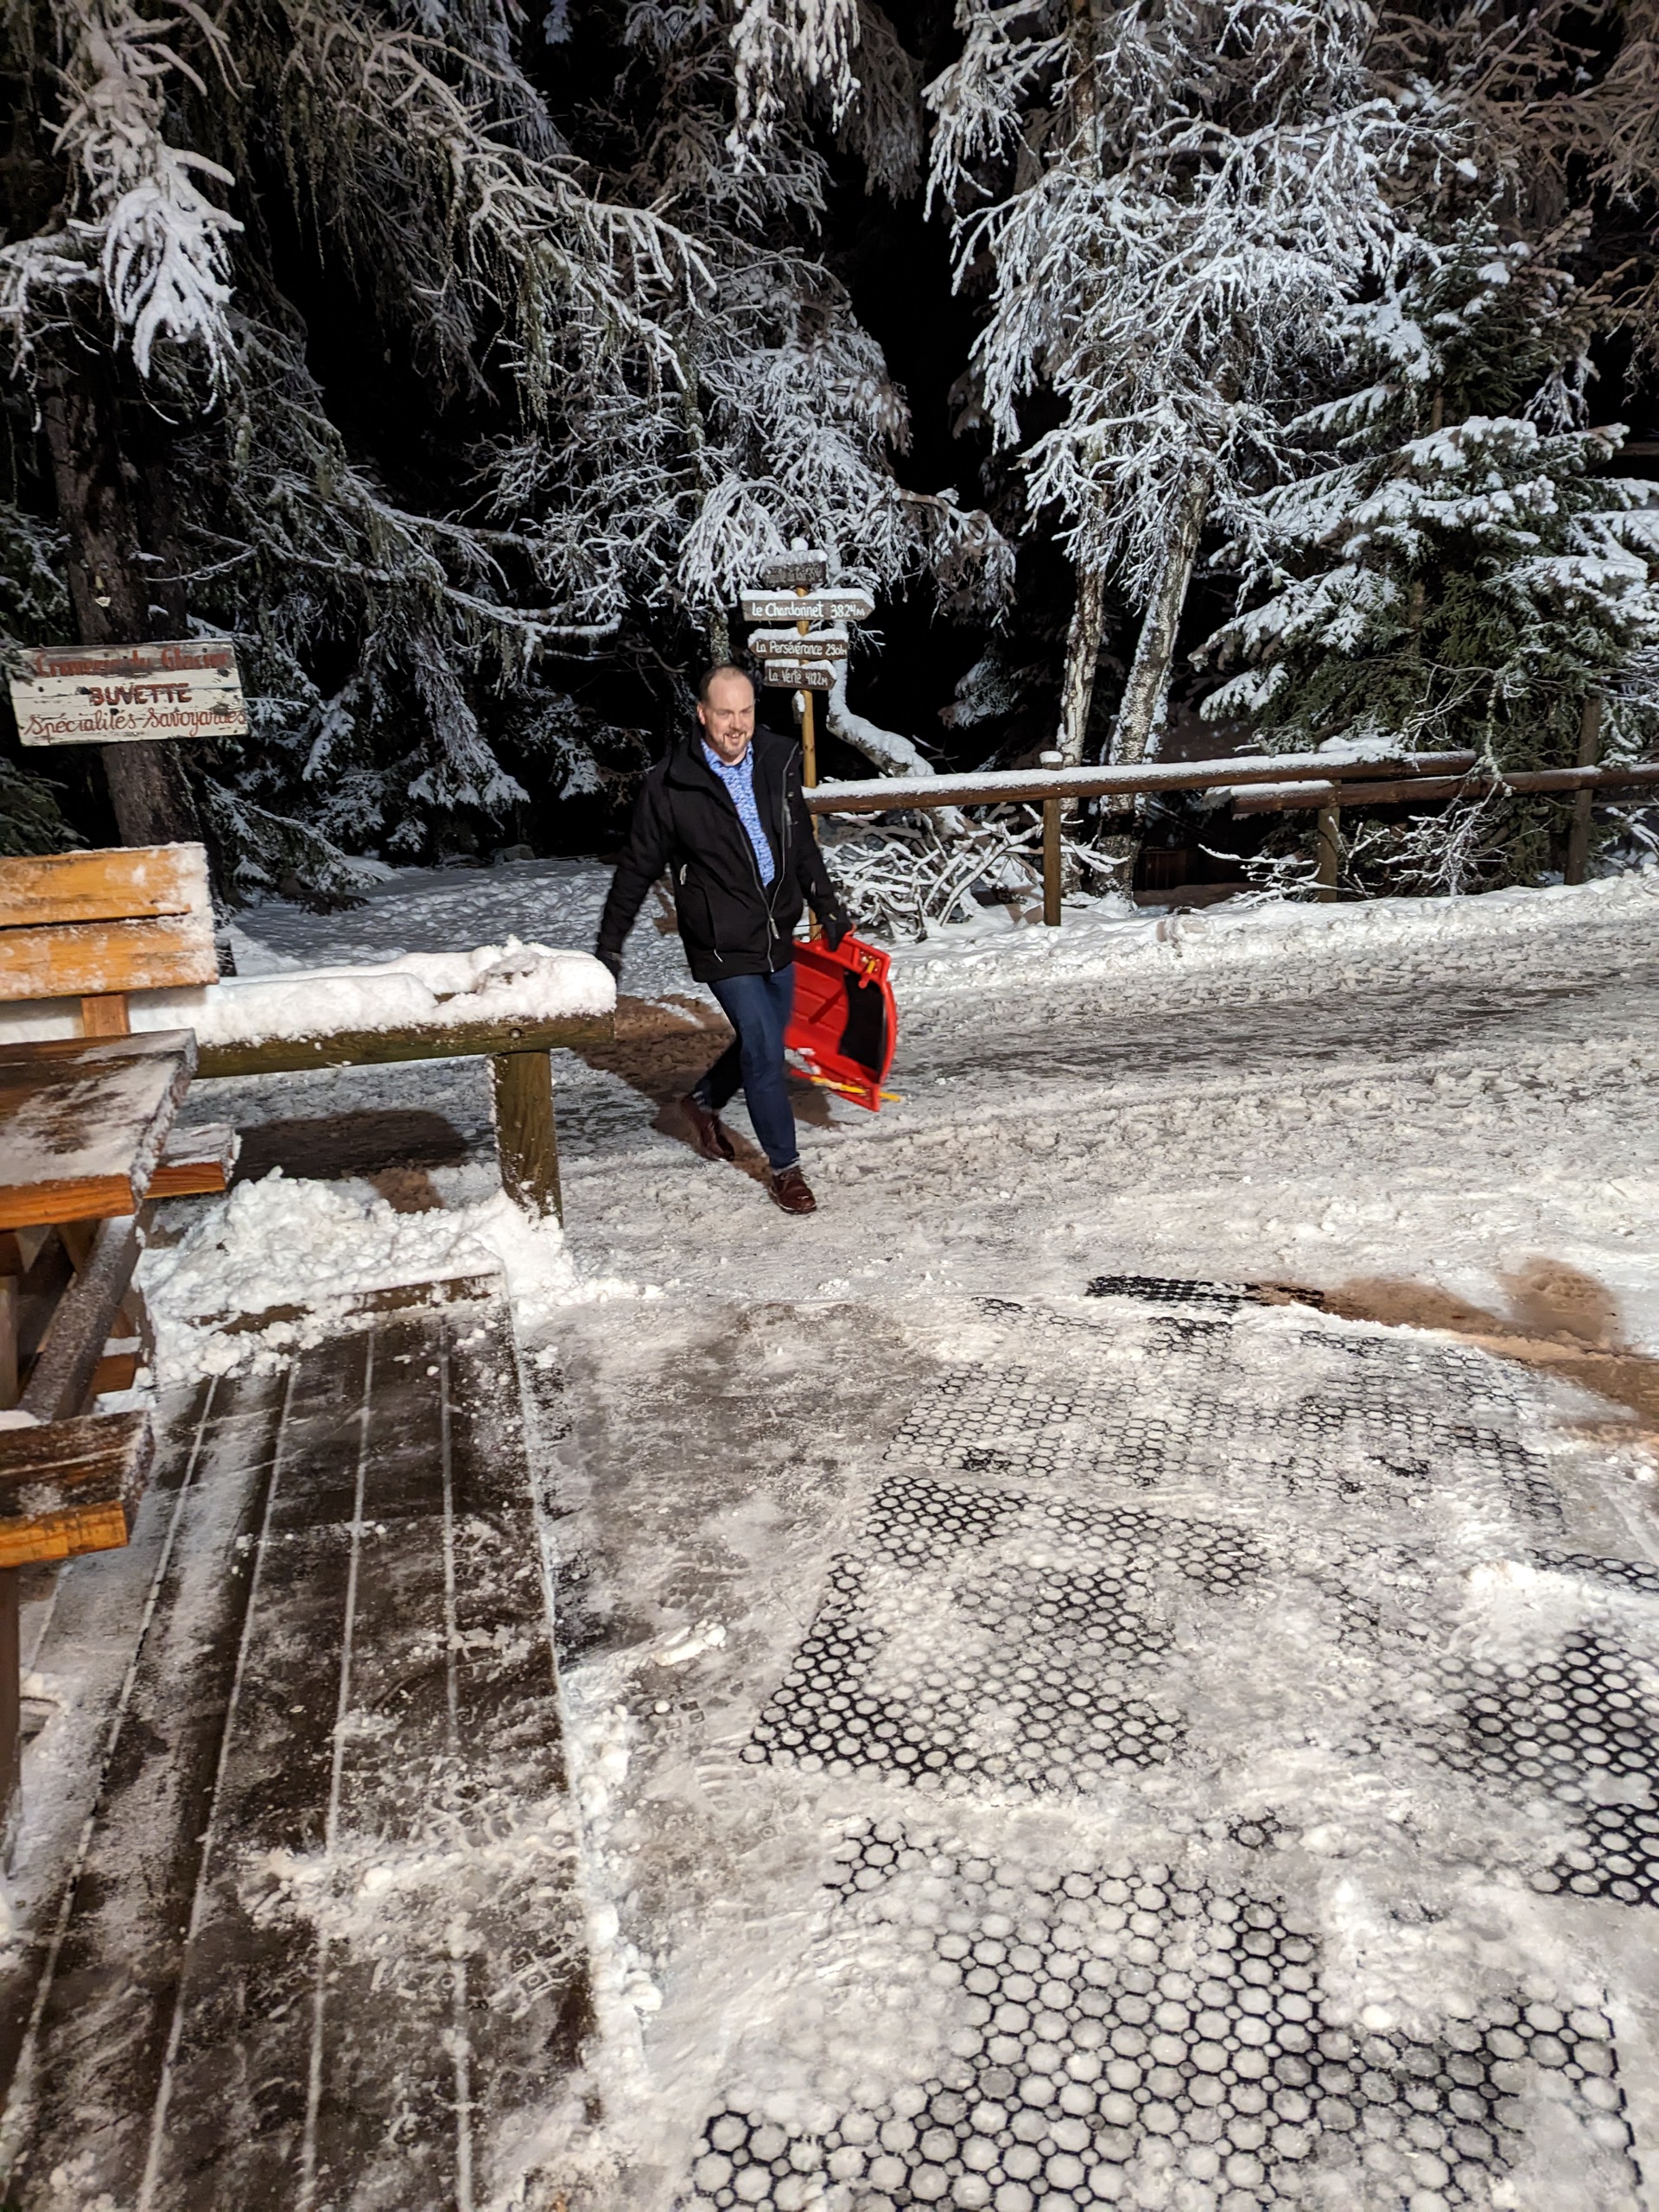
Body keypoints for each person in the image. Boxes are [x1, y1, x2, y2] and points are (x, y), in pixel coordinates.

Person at [594, 664, 852, 1215]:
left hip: (776, 926)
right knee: (764, 1051)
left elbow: (800, 841)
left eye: (746, 712)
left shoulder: (777, 760)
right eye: (725, 713)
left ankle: (702, 1102)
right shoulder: (671, 784)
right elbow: (637, 868)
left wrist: (825, 902)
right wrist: (611, 944)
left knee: (767, 1036)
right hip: (719, 938)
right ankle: (785, 1169)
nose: (737, 725)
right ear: (703, 714)